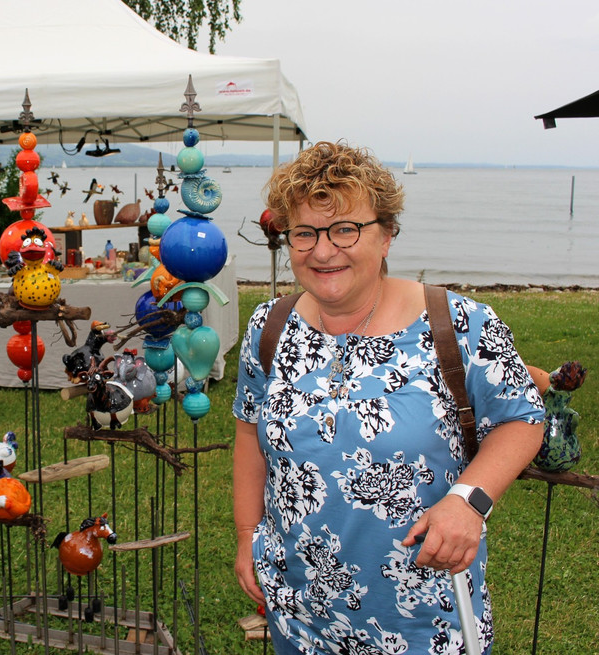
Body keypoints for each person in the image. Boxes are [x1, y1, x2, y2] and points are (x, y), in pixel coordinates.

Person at [232, 141, 544, 654]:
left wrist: (469, 502)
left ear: (387, 235)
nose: (323, 250)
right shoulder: (269, 327)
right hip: (300, 616)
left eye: (345, 229)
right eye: (304, 233)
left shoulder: (459, 324)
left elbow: (523, 417)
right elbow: (249, 431)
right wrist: (248, 533)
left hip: (424, 617)